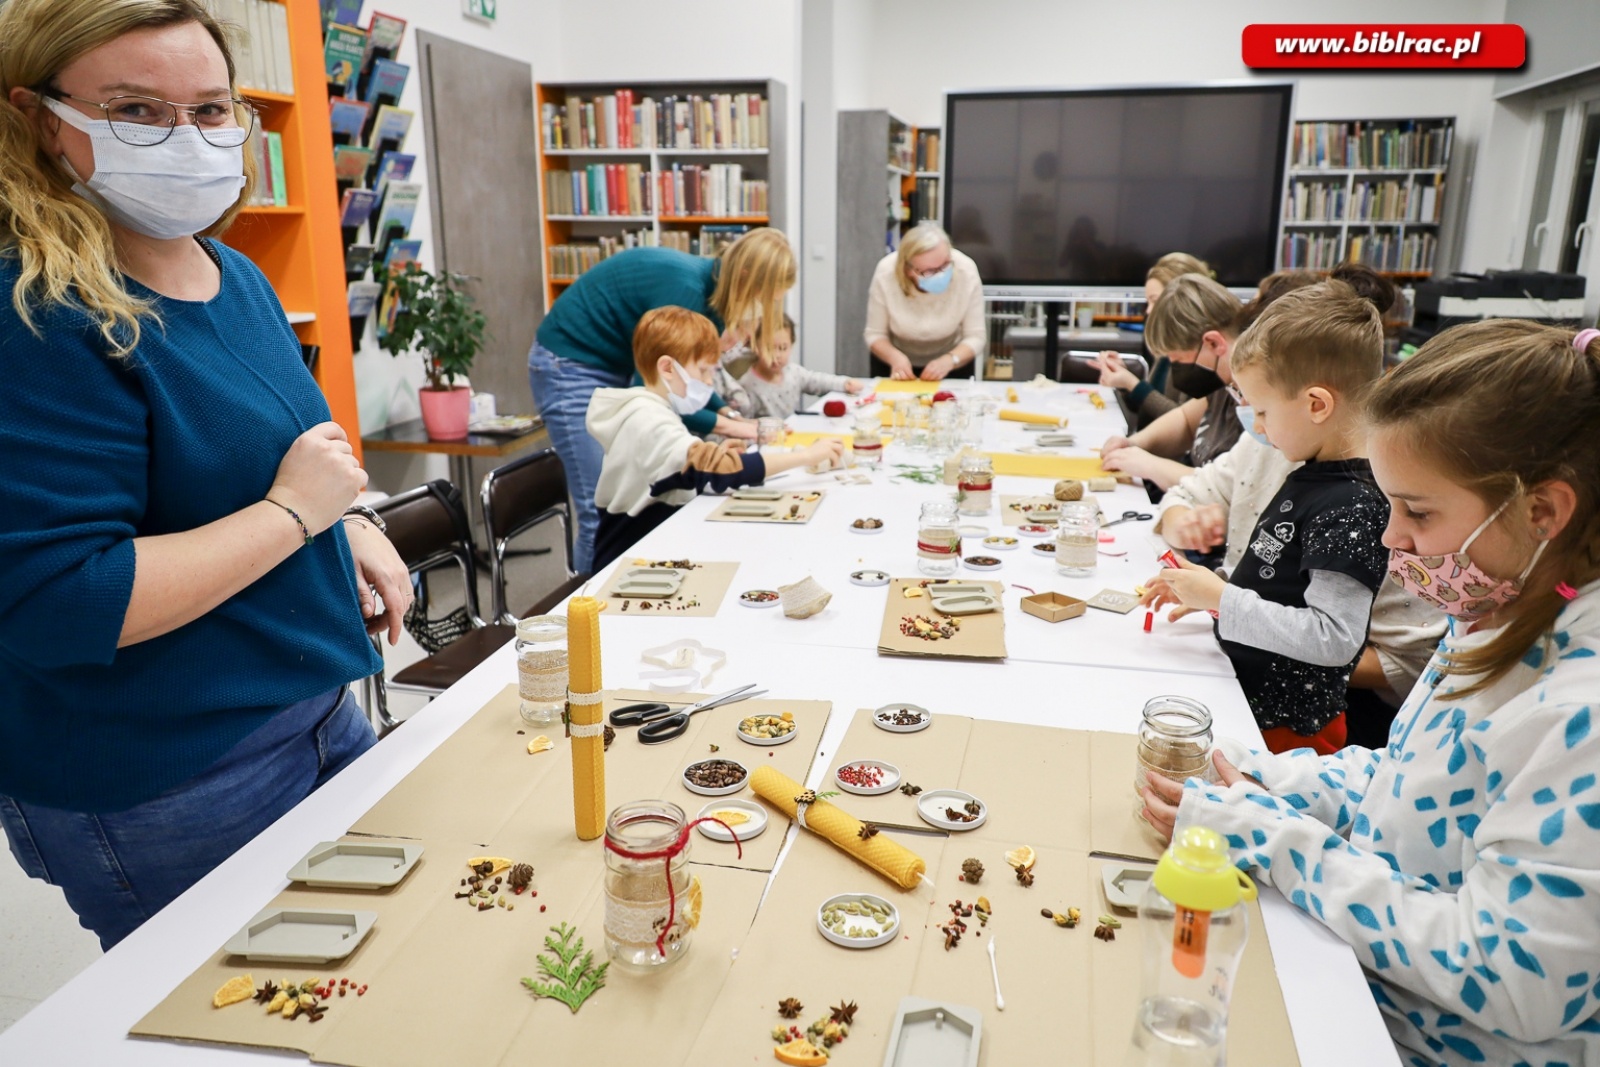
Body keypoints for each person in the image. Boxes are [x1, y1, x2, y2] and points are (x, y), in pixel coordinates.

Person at [0, 0, 411, 949]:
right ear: (37, 118)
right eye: (138, 111)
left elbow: (292, 460)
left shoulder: (233, 273)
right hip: (169, 777)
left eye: (211, 110)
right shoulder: (39, 314)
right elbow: (64, 599)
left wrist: (345, 521)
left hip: (313, 710)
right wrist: (294, 515)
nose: (185, 140)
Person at [1142, 322, 1600, 1067]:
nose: (1390, 539)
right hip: (1358, 986)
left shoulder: (1583, 712)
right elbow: (1402, 784)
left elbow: (1508, 978)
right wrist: (1262, 777)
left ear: (1542, 513)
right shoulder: (1493, 614)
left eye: (1418, 513)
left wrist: (1275, 835)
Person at [1153, 268, 1443, 749]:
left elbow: (1333, 638)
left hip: (1286, 732)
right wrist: (1208, 590)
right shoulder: (1311, 472)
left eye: (1263, 412)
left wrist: (1222, 601)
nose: (1259, 429)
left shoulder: (1351, 504)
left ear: (1316, 405)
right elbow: (1279, 583)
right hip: (1249, 702)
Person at [528, 229, 794, 572]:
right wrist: (732, 426)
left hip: (613, 362)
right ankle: (585, 615)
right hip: (569, 360)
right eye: (763, 296)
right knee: (599, 511)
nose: (762, 307)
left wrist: (725, 411)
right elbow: (661, 391)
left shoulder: (714, 297)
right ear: (746, 278)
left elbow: (691, 374)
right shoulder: (687, 291)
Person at [586, 307, 844, 571]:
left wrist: (715, 452)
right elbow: (719, 471)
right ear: (667, 368)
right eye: (703, 371)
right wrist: (808, 456)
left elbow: (677, 470)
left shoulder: (653, 409)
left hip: (652, 545)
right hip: (629, 562)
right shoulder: (648, 419)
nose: (709, 383)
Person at [1101, 271, 1310, 491]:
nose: (1176, 369)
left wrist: (1151, 465)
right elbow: (1185, 421)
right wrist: (1134, 444)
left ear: (1212, 343)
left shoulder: (1262, 396)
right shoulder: (1222, 386)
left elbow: (1236, 488)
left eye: (1178, 359)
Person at [1092, 251, 1212, 429]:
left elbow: (1184, 424)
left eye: (1154, 301)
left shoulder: (1203, 352)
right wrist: (1125, 381)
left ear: (1182, 299)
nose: (1148, 311)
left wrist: (1132, 383)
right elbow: (1145, 408)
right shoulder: (1168, 344)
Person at [864, 221, 985, 381]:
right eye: (930, 271)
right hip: (895, 363)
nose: (941, 274)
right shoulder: (886, 272)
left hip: (952, 362)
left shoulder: (966, 270)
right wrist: (895, 358)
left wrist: (950, 360)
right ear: (908, 270)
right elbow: (875, 334)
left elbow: (976, 336)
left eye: (945, 264)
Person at [737, 313, 863, 420]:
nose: (777, 355)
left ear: (791, 345)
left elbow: (817, 381)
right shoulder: (747, 385)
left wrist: (844, 383)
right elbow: (742, 424)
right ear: (755, 347)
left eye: (783, 348)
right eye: (769, 348)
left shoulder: (793, 372)